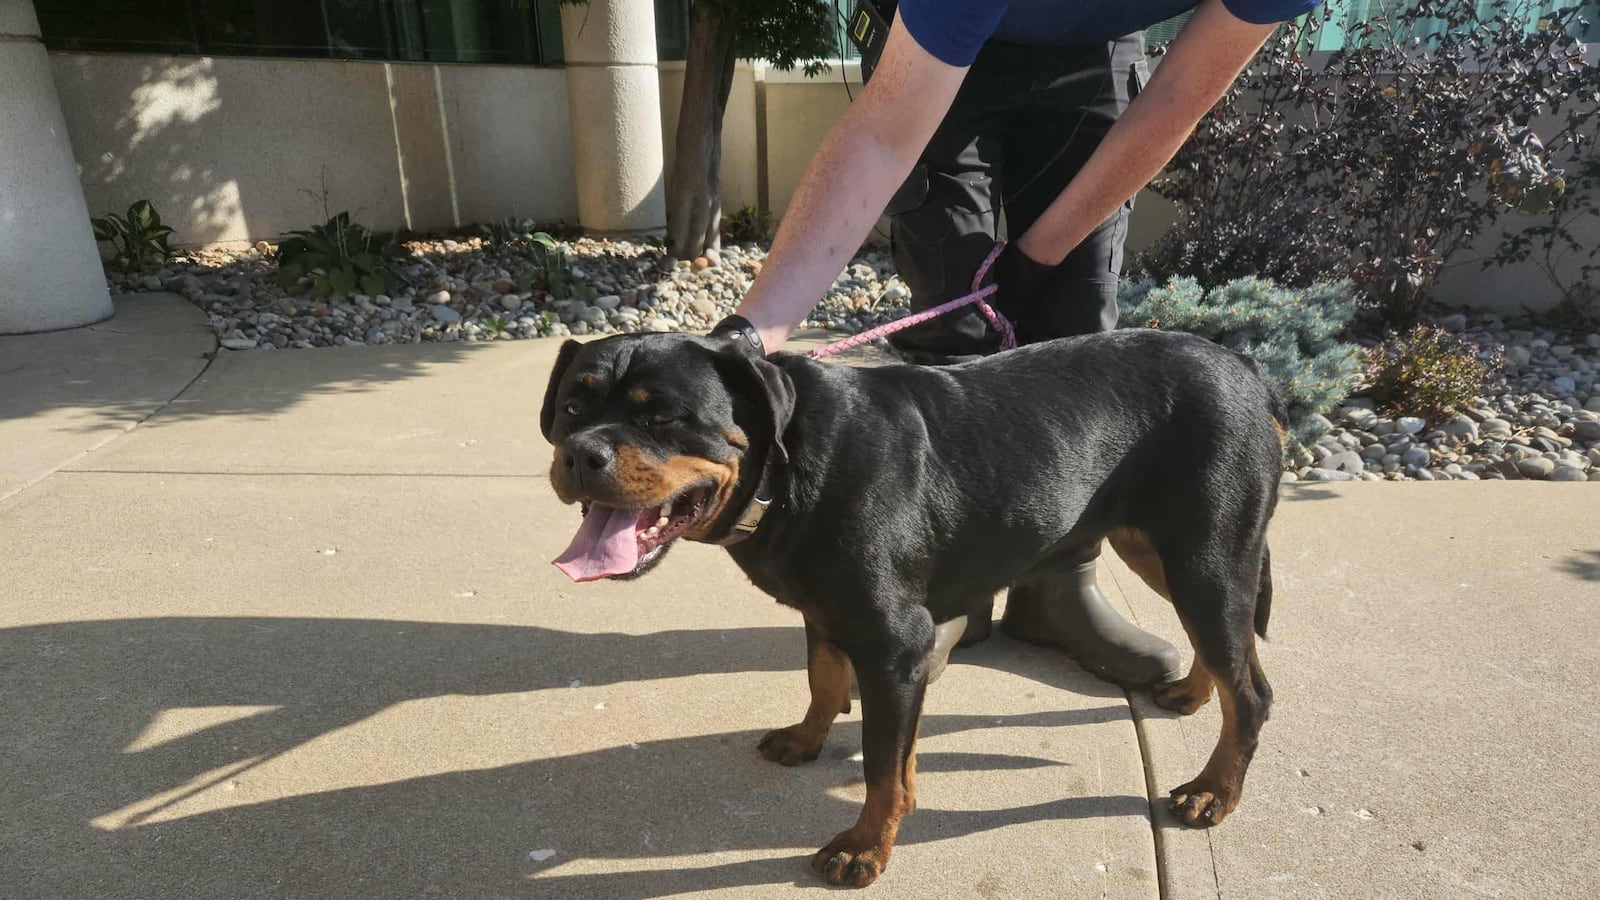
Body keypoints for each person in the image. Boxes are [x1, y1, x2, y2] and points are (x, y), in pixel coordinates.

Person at [711, 0, 1317, 688]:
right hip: (935, 47)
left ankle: (1057, 593)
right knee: (954, 334)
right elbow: (882, 133)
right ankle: (942, 592)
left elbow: (1178, 95)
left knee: (1078, 335)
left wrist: (1041, 255)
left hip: (1097, 51)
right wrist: (756, 329)